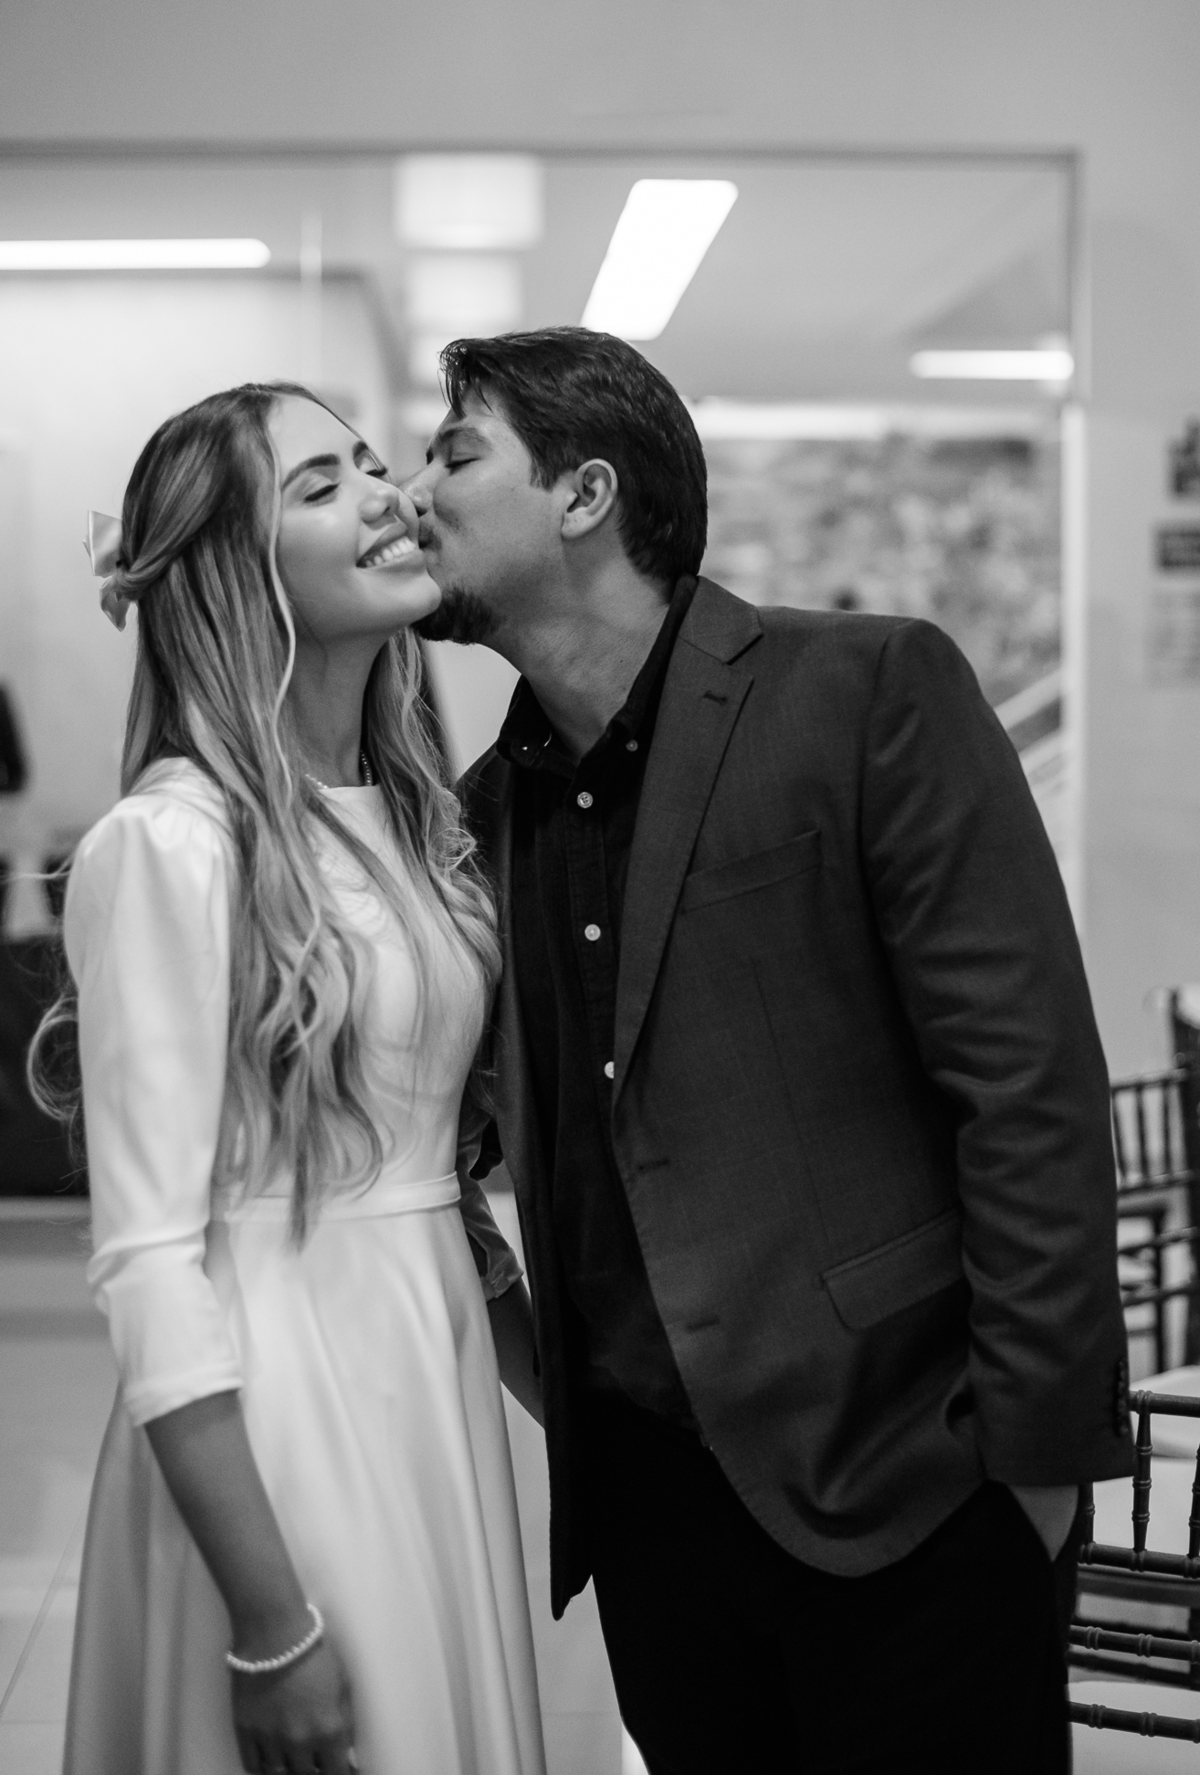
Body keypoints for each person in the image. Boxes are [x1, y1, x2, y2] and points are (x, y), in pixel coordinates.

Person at [406, 327, 1133, 1774]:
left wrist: (1036, 1472)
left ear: (585, 494)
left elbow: (1028, 1092)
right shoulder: (483, 815)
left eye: (455, 454)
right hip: (656, 1530)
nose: (413, 494)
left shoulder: (866, 691)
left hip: (916, 1485)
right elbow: (443, 1141)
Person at [31, 383, 546, 1775]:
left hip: (432, 1374)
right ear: (231, 572)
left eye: (375, 463)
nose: (386, 494)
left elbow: (437, 1175)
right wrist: (269, 1620)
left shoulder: (419, 827)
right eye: (321, 485)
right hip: (278, 1408)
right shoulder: (173, 844)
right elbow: (146, 1261)